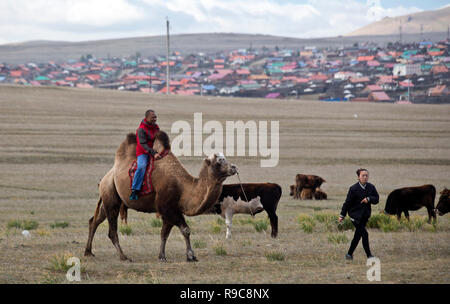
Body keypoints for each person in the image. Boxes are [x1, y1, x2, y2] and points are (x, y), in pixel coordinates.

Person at [338, 168, 379, 260]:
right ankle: (369, 255)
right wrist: (342, 215)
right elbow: (347, 203)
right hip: (354, 216)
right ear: (358, 177)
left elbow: (376, 199)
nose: (365, 177)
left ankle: (349, 254)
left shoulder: (371, 187)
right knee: (365, 234)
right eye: (363, 175)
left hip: (365, 216)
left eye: (366, 175)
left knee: (358, 235)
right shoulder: (353, 189)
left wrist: (369, 199)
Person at [129, 109, 161, 200]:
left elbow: (158, 138)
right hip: (144, 151)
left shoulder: (156, 127)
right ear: (146, 118)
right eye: (152, 117)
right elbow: (143, 144)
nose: (155, 119)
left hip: (154, 150)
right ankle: (135, 189)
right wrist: (153, 153)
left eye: (155, 117)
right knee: (142, 166)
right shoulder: (141, 130)